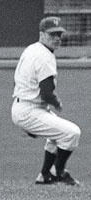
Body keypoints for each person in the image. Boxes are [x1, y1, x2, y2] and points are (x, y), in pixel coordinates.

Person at [11, 16, 81, 186]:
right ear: (42, 34)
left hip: (24, 106)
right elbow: (47, 93)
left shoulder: (32, 49)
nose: (57, 38)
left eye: (59, 34)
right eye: (52, 34)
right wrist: (57, 103)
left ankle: (44, 176)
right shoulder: (44, 57)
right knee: (72, 133)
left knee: (56, 136)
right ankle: (58, 171)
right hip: (29, 110)